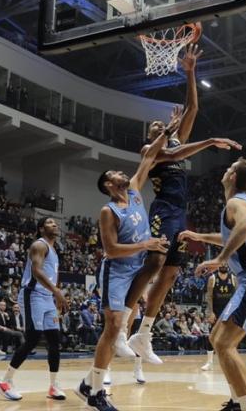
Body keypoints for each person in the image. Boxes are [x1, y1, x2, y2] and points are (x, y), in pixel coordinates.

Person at [127, 39, 243, 365]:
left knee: (171, 273)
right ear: (151, 135)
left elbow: (193, 109)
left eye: (161, 124)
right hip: (163, 208)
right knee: (154, 265)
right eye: (154, 127)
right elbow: (175, 152)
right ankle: (123, 323)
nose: (158, 126)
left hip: (180, 212)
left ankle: (144, 332)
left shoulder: (175, 138)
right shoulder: (150, 151)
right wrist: (186, 137)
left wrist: (190, 73)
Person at [75, 119, 174, 411]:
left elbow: (148, 157)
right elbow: (111, 250)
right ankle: (95, 391)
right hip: (116, 271)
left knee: (122, 326)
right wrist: (147, 244)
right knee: (114, 327)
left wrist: (167, 132)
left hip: (138, 268)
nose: (123, 173)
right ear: (108, 184)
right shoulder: (108, 211)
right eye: (117, 173)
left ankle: (88, 385)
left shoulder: (133, 191)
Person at [180, 158, 246, 411]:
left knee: (224, 344)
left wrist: (221, 259)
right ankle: (238, 402)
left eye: (229, 168)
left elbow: (245, 226)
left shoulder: (237, 202)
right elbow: (230, 235)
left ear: (233, 176)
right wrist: (200, 236)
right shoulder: (239, 203)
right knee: (217, 339)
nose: (225, 170)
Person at [0, 217, 67, 402]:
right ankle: (4, 381)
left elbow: (50, 275)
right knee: (33, 338)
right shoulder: (39, 245)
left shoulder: (55, 250)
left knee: (54, 340)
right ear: (41, 229)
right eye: (50, 223)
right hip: (32, 295)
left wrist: (54, 296)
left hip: (47, 297)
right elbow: (36, 271)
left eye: (55, 223)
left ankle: (53, 385)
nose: (55, 224)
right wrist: (57, 291)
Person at [202, 264, 236, 371]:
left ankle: (230, 361)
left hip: (229, 312)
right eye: (222, 264)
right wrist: (210, 312)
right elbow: (209, 296)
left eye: (226, 264)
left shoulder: (233, 278)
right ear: (218, 266)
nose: (224, 265)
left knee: (230, 338)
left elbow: (237, 296)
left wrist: (235, 311)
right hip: (216, 312)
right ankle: (209, 362)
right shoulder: (213, 278)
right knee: (212, 336)